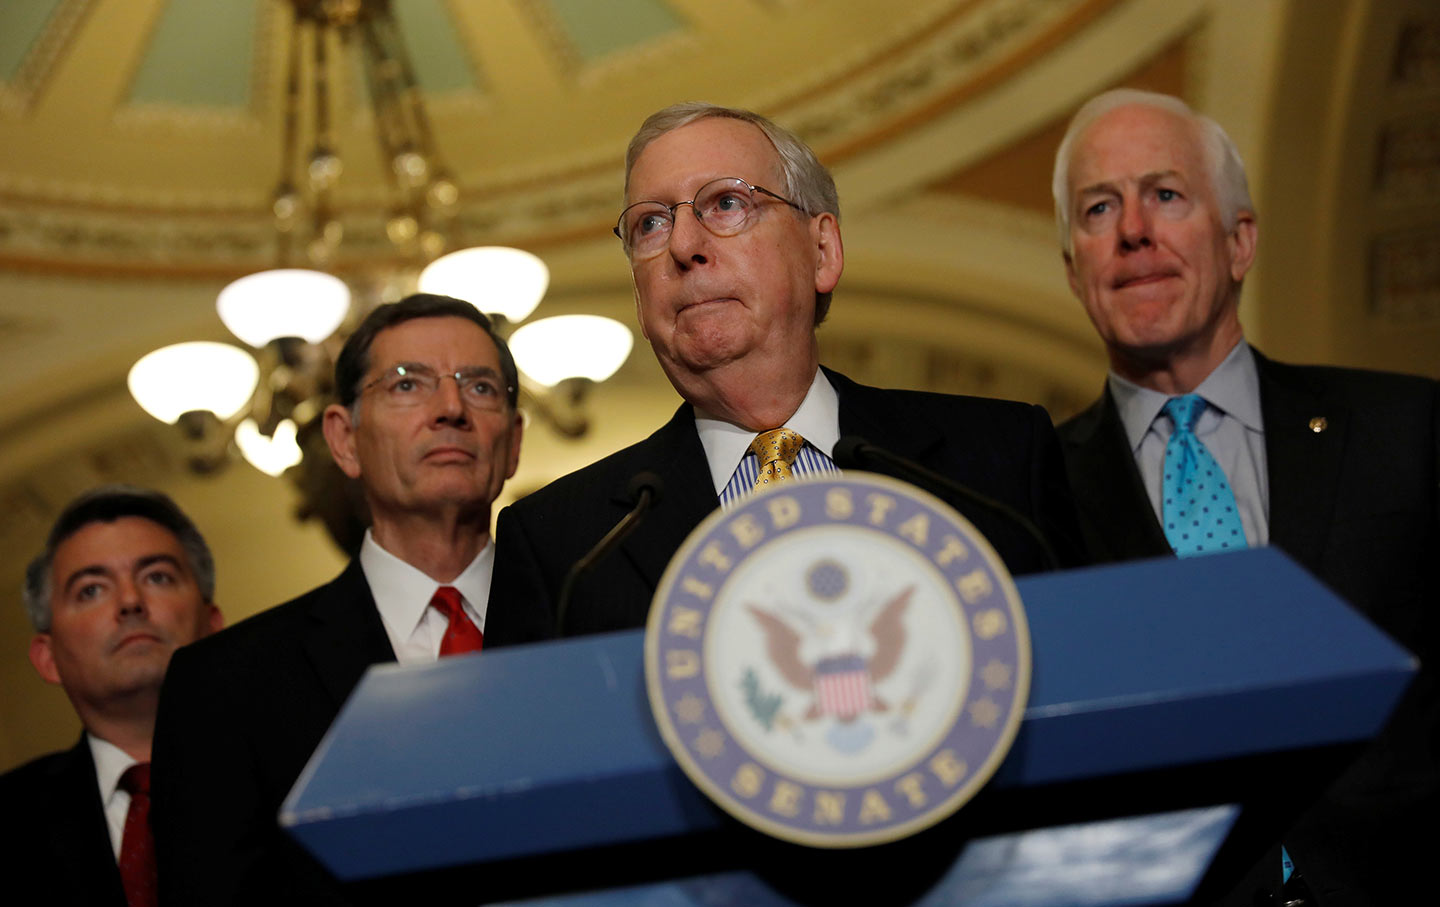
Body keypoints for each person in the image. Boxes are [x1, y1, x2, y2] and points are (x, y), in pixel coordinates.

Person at [487, 102, 1083, 646]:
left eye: (726, 203)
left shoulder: (1002, 462)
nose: (684, 245)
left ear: (822, 251)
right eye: (652, 223)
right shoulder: (562, 546)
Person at [1052, 88, 1439, 904]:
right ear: (1072, 264)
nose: (1133, 231)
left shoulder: (1409, 428)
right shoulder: (1032, 490)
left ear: (1241, 241)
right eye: (1098, 208)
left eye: (1166, 194)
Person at [151, 294, 523, 905]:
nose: (451, 408)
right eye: (408, 384)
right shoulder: (224, 684)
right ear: (343, 439)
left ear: (512, 444)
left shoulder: (587, 624)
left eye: (480, 387)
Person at [1, 486, 224, 907]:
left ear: (214, 626)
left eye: (157, 576)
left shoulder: (299, 771)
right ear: (47, 658)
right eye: (91, 589)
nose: (130, 601)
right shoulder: (11, 820)